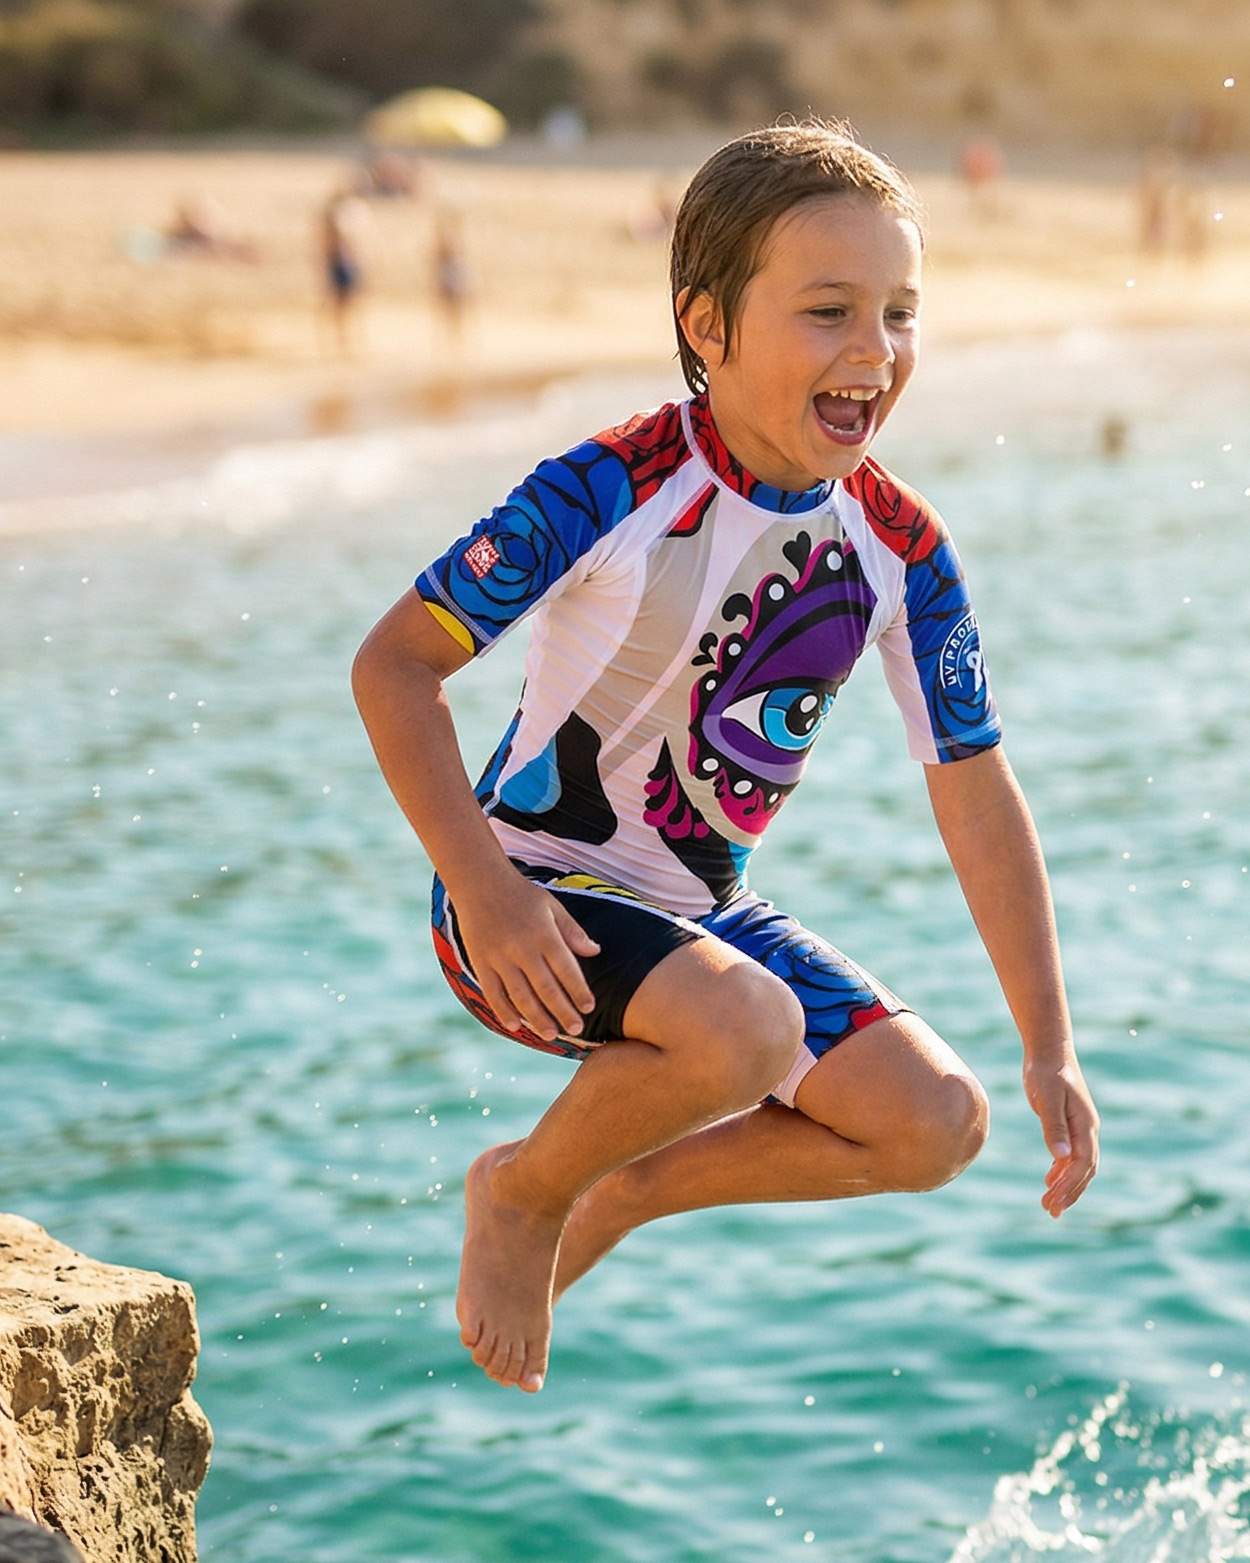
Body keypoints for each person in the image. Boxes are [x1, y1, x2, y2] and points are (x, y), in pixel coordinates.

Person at [352, 119, 1100, 1397]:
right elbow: (392, 669)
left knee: (934, 1123)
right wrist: (483, 890)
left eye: (899, 314)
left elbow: (973, 787)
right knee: (749, 1026)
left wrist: (1048, 1043)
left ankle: (624, 1190)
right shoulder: (611, 487)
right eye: (828, 311)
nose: (873, 351)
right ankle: (525, 1191)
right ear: (707, 326)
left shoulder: (901, 549)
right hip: (527, 900)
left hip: (700, 920)